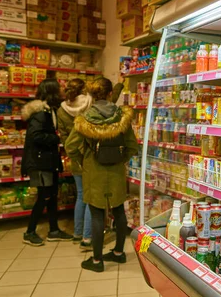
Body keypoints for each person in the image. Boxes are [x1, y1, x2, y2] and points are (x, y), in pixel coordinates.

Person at [65, 77, 138, 272]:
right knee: (119, 211)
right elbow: (132, 146)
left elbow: (70, 146)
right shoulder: (122, 117)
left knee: (97, 214)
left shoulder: (85, 118)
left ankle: (97, 261)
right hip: (115, 172)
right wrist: (121, 159)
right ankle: (118, 253)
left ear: (91, 95)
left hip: (93, 171)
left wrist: (82, 160)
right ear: (108, 94)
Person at [21, 78, 73, 246]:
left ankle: (54, 230)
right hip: (40, 163)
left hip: (47, 161)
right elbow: (35, 136)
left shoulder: (49, 111)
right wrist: (55, 138)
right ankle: (29, 232)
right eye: (58, 90)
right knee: (43, 197)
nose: (61, 93)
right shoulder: (40, 113)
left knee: (51, 197)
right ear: (52, 93)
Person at [57, 78, 93, 251]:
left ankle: (77, 233)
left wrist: (72, 151)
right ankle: (87, 237)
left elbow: (64, 137)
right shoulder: (90, 105)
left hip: (74, 157)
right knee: (91, 197)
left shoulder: (61, 110)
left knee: (80, 195)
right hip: (90, 156)